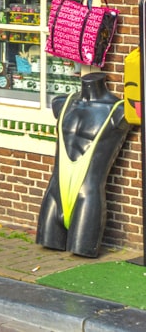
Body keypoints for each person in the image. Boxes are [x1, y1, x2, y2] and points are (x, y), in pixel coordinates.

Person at [36, 73, 131, 257]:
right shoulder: (63, 103)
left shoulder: (118, 111)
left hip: (87, 197)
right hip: (55, 193)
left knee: (82, 251)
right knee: (47, 245)